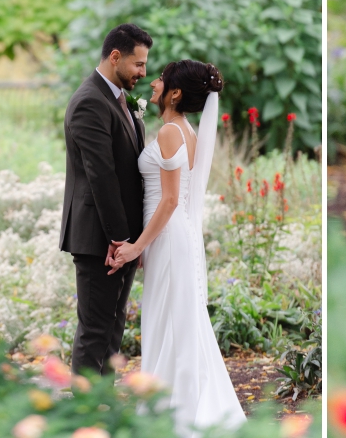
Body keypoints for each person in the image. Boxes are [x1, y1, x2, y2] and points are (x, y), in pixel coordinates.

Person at [107, 59, 246, 432]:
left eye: (161, 78)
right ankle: (175, 408)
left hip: (167, 239)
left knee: (169, 324)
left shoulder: (171, 132)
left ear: (175, 92)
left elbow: (169, 200)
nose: (153, 82)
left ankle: (175, 416)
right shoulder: (185, 130)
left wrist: (136, 247)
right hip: (173, 236)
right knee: (178, 323)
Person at [59, 23, 152, 375]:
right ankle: (84, 414)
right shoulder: (89, 102)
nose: (143, 73)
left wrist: (133, 241)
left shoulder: (117, 99)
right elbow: (101, 175)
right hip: (101, 238)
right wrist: (119, 238)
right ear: (115, 57)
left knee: (113, 329)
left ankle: (105, 410)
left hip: (123, 238)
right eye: (138, 64)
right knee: (95, 330)